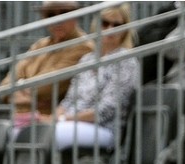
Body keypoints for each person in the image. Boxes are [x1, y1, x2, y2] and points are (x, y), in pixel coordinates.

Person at [47, 4, 141, 151]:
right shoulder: (87, 59)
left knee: (52, 133)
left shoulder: (126, 61)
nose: (110, 29)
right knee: (32, 131)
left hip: (103, 128)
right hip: (71, 122)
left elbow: (107, 110)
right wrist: (53, 117)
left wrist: (64, 119)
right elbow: (69, 100)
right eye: (105, 23)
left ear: (125, 29)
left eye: (116, 25)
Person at [0, 1, 93, 131]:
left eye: (64, 13)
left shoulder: (83, 47)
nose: (57, 20)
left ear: (76, 15)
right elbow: (6, 84)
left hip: (52, 121)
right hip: (23, 118)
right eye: (51, 14)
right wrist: (17, 94)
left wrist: (17, 89)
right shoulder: (40, 45)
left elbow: (46, 85)